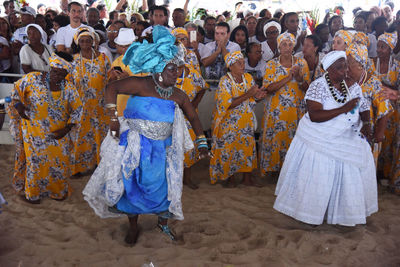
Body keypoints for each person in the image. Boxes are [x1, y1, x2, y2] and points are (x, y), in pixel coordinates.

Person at [83, 26, 208, 245]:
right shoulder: (141, 85)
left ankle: (163, 224)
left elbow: (193, 117)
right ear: (159, 69)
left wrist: (202, 141)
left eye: (178, 69)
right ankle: (133, 226)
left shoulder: (178, 95)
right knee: (132, 184)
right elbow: (111, 89)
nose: (176, 74)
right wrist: (113, 118)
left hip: (163, 149)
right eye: (172, 69)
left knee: (164, 187)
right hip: (135, 144)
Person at [273, 51, 377, 226]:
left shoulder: (350, 85)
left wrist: (366, 123)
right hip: (320, 136)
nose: (345, 70)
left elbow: (363, 105)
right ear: (327, 70)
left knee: (359, 155)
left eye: (345, 66)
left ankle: (342, 213)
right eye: (339, 67)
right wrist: (344, 109)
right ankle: (311, 213)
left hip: (346, 134)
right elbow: (314, 115)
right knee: (321, 170)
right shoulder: (318, 86)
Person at [7, 52, 83, 204]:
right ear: (50, 67)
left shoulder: (69, 88)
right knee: (35, 164)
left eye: (62, 74)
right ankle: (33, 195)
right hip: (33, 133)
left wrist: (66, 129)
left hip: (58, 134)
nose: (57, 76)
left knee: (58, 163)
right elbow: (15, 92)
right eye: (55, 71)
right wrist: (18, 106)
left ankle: (58, 193)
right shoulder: (31, 79)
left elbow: (78, 110)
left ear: (67, 74)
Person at [209, 51, 265, 187]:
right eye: (238, 63)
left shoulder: (248, 78)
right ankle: (231, 178)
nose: (242, 65)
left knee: (246, 147)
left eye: (243, 62)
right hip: (228, 124)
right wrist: (249, 94)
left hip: (245, 121)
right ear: (230, 66)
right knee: (230, 149)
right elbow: (227, 105)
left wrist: (258, 97)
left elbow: (251, 100)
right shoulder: (225, 81)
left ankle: (247, 178)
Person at [259, 33, 310, 178]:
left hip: (296, 111)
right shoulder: (272, 64)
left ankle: (291, 172)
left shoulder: (302, 63)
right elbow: (268, 88)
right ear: (279, 46)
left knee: (294, 139)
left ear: (293, 46)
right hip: (276, 112)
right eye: (283, 44)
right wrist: (288, 77)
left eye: (289, 44)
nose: (287, 47)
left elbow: (307, 88)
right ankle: (274, 171)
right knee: (276, 138)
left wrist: (299, 78)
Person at [71, 28, 110, 176]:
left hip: (100, 106)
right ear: (78, 43)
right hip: (80, 107)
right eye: (82, 41)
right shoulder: (73, 60)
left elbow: (109, 80)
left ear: (93, 42)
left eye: (88, 40)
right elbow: (68, 84)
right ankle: (78, 168)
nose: (85, 43)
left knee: (99, 135)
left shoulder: (103, 59)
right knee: (80, 136)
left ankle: (98, 165)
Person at [175, 47, 208, 190]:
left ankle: (187, 179)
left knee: (188, 147)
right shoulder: (163, 72)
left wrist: (193, 105)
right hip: (169, 117)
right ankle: (172, 181)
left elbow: (203, 88)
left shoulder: (192, 73)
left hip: (188, 118)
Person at [346, 43, 392, 145]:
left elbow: (385, 111)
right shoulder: (345, 81)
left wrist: (378, 134)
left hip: (367, 138)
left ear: (360, 65)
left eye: (349, 62)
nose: (346, 67)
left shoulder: (374, 84)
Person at [374, 31, 400, 185]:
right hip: (376, 109)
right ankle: (375, 172)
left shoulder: (397, 66)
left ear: (390, 49)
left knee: (389, 140)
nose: (379, 49)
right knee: (376, 137)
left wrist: (389, 90)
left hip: (392, 110)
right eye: (378, 46)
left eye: (382, 47)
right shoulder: (371, 63)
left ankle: (386, 173)